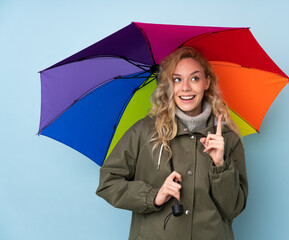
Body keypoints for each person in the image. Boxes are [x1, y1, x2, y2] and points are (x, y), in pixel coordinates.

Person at [96, 47, 248, 240]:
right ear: (169, 85)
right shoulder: (144, 132)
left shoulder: (227, 139)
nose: (185, 87)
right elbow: (108, 183)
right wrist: (153, 196)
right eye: (177, 79)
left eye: (194, 78)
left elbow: (233, 208)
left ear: (206, 82)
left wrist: (220, 166)